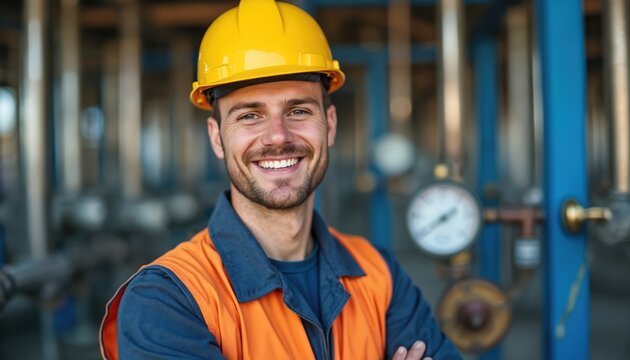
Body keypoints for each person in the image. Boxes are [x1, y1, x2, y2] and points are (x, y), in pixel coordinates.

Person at [99, 0, 461, 359]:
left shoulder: (377, 273)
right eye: (250, 116)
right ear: (216, 137)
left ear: (330, 125)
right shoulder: (169, 299)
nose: (277, 136)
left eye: (298, 110)